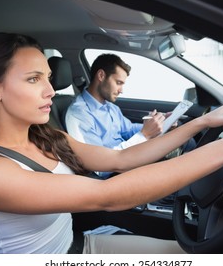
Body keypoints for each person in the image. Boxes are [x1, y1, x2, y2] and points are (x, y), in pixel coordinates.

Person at [0, 32, 223, 254]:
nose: (51, 91)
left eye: (48, 78)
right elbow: (108, 197)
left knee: (182, 254)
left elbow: (120, 160)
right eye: (33, 79)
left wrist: (203, 123)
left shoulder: (46, 136)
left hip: (79, 247)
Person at [65, 53, 194, 178]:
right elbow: (99, 167)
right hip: (115, 173)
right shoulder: (79, 114)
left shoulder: (110, 107)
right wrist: (144, 135)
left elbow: (128, 129)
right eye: (118, 83)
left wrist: (159, 124)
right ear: (101, 75)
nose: (121, 90)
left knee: (186, 142)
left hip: (129, 158)